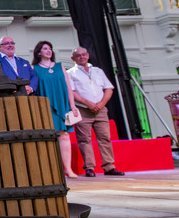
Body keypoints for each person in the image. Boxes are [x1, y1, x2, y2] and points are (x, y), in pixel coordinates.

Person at [67, 47, 125, 177]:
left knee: (105, 138)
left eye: (83, 54)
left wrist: (100, 104)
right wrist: (89, 104)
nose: (81, 57)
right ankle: (89, 168)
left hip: (100, 109)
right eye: (78, 55)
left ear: (88, 55)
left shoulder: (97, 71)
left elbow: (109, 89)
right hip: (82, 110)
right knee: (84, 139)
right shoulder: (71, 73)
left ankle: (109, 167)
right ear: (73, 59)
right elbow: (72, 92)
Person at [32, 41, 80, 179]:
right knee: (48, 136)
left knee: (64, 135)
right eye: (45, 48)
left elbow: (68, 87)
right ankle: (51, 169)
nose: (48, 51)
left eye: (50, 49)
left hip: (62, 104)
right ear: (38, 52)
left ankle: (69, 169)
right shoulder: (34, 68)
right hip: (46, 105)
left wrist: (73, 105)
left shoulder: (60, 66)